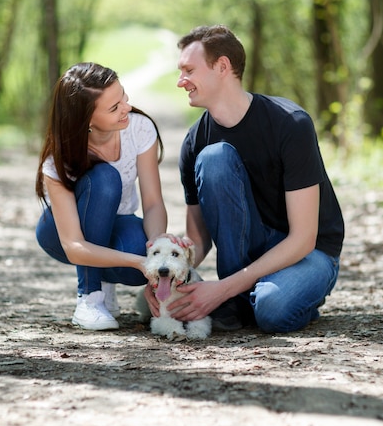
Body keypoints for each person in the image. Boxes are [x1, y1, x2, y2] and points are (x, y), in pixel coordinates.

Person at [145, 24, 344, 334]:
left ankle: (252, 295)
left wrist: (221, 289)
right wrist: (165, 278)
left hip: (309, 251)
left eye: (188, 70)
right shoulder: (195, 141)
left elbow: (304, 238)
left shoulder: (290, 123)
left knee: (273, 310)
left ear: (222, 66)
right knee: (214, 158)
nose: (180, 81)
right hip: (250, 252)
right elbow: (197, 239)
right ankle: (240, 299)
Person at [35, 62, 168, 331]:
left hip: (119, 222)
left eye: (123, 97)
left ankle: (106, 282)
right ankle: (90, 295)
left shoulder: (139, 129)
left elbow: (153, 202)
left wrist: (154, 248)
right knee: (106, 178)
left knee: (137, 267)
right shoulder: (57, 159)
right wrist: (138, 261)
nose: (127, 108)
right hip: (62, 234)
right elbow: (73, 245)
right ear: (87, 121)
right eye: (114, 107)